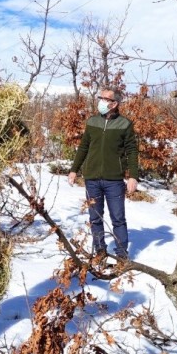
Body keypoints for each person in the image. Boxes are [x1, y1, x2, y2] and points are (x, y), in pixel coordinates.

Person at [67, 88, 139, 259]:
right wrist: (73, 169)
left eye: (105, 99)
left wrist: (133, 176)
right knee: (95, 217)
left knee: (118, 218)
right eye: (100, 98)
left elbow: (132, 151)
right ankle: (100, 251)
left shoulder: (125, 124)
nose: (101, 101)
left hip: (114, 180)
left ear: (114, 103)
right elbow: (84, 147)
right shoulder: (92, 122)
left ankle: (121, 254)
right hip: (92, 179)